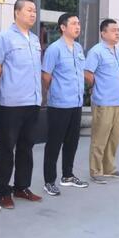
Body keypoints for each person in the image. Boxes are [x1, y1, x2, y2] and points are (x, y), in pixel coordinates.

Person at [0, 0, 43, 209]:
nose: (33, 14)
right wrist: (12, 81)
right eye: (29, 10)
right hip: (12, 103)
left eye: (34, 10)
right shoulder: (4, 38)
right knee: (6, 148)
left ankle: (21, 187)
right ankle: (4, 191)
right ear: (17, 13)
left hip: (33, 101)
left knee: (26, 147)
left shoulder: (35, 39)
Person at [41, 13, 88, 196]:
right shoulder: (54, 49)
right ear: (63, 27)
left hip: (76, 102)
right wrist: (56, 91)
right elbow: (46, 75)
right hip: (59, 104)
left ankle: (67, 175)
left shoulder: (78, 48)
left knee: (72, 141)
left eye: (79, 23)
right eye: (74, 23)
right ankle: (49, 181)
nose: (78, 27)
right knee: (54, 143)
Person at [84, 19, 119, 185]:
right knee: (100, 138)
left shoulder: (118, 51)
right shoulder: (97, 51)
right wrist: (98, 87)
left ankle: (109, 168)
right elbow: (88, 73)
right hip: (104, 101)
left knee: (114, 138)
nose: (117, 33)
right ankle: (96, 171)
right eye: (113, 30)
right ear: (103, 33)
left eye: (118, 30)